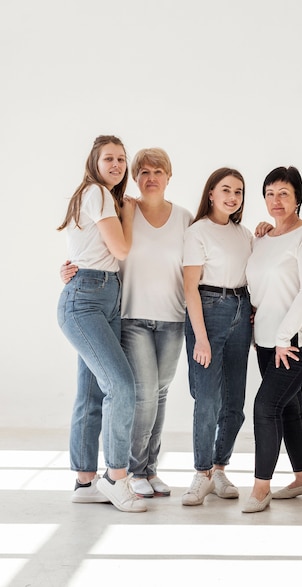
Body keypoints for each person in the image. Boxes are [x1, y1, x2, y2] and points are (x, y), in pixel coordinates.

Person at [62, 148, 193, 499]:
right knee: (138, 393)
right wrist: (70, 269)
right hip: (130, 315)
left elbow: (198, 264)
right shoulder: (121, 209)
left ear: (169, 176)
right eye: (144, 171)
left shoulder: (184, 218)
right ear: (136, 178)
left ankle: (147, 469)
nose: (151, 177)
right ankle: (129, 471)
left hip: (172, 317)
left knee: (160, 394)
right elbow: (99, 249)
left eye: (158, 171)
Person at [57, 135, 145, 513]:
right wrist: (128, 212)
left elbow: (87, 250)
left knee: (92, 393)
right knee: (122, 386)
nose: (117, 165)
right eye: (109, 158)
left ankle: (84, 481)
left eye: (122, 159)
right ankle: (116, 477)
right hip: (88, 298)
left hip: (102, 293)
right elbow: (121, 249)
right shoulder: (98, 193)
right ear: (94, 162)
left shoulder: (96, 195)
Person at [242, 166, 302, 513]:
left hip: (298, 338)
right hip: (265, 339)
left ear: (297, 199)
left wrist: (282, 336)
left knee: (266, 407)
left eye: (284, 193)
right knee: (290, 407)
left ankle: (260, 487)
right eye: (269, 193)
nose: (276, 200)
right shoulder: (261, 238)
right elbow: (259, 287)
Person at [181, 168, 254, 506]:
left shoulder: (245, 233)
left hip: (242, 309)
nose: (232, 197)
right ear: (211, 193)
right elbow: (189, 288)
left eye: (238, 192)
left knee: (234, 403)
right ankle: (201, 473)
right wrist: (201, 338)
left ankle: (219, 468)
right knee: (207, 399)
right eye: (225, 190)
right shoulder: (198, 232)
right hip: (209, 310)